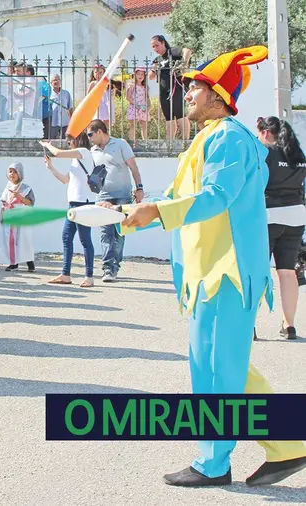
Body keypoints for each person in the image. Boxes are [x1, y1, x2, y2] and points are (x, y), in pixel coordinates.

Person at [105, 46, 306, 488]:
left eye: (196, 88)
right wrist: (136, 213)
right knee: (226, 366)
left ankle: (214, 464)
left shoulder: (229, 137)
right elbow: (182, 197)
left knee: (216, 369)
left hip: (226, 271)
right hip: (210, 273)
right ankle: (290, 444)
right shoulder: (207, 136)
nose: (188, 94)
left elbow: (217, 197)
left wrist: (156, 212)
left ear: (218, 97)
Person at [257, 116, 306, 340]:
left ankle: (250, 325)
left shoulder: (265, 153)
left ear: (266, 133)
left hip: (268, 216)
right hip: (296, 216)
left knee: (257, 272)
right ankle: (290, 325)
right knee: (287, 272)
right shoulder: (299, 155)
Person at [87, 119, 144, 282]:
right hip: (103, 196)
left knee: (119, 232)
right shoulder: (93, 151)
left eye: (91, 134)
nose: (89, 138)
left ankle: (114, 266)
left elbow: (133, 167)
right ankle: (107, 268)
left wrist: (139, 188)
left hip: (122, 195)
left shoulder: (120, 144)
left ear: (99, 132)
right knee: (105, 232)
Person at [41, 136, 97, 287]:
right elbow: (66, 180)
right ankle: (65, 274)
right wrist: (51, 167)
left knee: (85, 240)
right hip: (73, 205)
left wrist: (48, 145)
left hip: (83, 204)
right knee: (67, 237)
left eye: (70, 140)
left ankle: (89, 276)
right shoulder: (76, 160)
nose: (69, 143)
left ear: (78, 141)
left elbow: (58, 153)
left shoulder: (84, 152)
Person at [150, 35, 193, 141]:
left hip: (176, 88)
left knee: (180, 115)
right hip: (163, 91)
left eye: (157, 45)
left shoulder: (173, 51)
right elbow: (150, 77)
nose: (155, 49)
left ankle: (185, 141)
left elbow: (187, 50)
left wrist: (183, 63)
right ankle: (170, 142)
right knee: (168, 118)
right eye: (153, 47)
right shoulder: (157, 60)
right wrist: (154, 69)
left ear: (163, 43)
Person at [0, 162, 36, 272]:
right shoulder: (7, 188)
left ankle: (30, 262)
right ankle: (13, 263)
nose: (12, 174)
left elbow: (30, 202)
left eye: (15, 171)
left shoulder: (26, 188)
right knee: (10, 240)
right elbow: (4, 203)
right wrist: (1, 215)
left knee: (24, 240)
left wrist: (20, 197)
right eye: (10, 171)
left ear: (20, 173)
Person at [126, 67, 150, 142]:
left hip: (143, 107)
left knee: (144, 125)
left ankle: (145, 141)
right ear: (135, 75)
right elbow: (128, 97)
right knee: (133, 125)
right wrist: (135, 104)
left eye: (142, 74)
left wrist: (147, 106)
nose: (140, 76)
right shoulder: (132, 86)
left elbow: (147, 98)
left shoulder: (145, 87)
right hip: (134, 107)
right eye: (138, 74)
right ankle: (132, 141)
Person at [87, 65, 114, 129]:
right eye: (96, 72)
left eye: (100, 73)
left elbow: (110, 92)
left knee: (106, 121)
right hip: (97, 104)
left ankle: (106, 133)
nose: (98, 74)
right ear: (93, 74)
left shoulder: (106, 82)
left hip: (105, 104)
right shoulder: (93, 83)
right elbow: (88, 94)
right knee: (97, 121)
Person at [48, 74, 73, 139]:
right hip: (53, 122)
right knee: (52, 139)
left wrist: (72, 120)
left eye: (58, 80)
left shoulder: (66, 93)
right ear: (51, 83)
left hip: (65, 121)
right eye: (54, 80)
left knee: (66, 140)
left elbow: (70, 107)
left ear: (60, 82)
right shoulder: (48, 93)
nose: (56, 81)